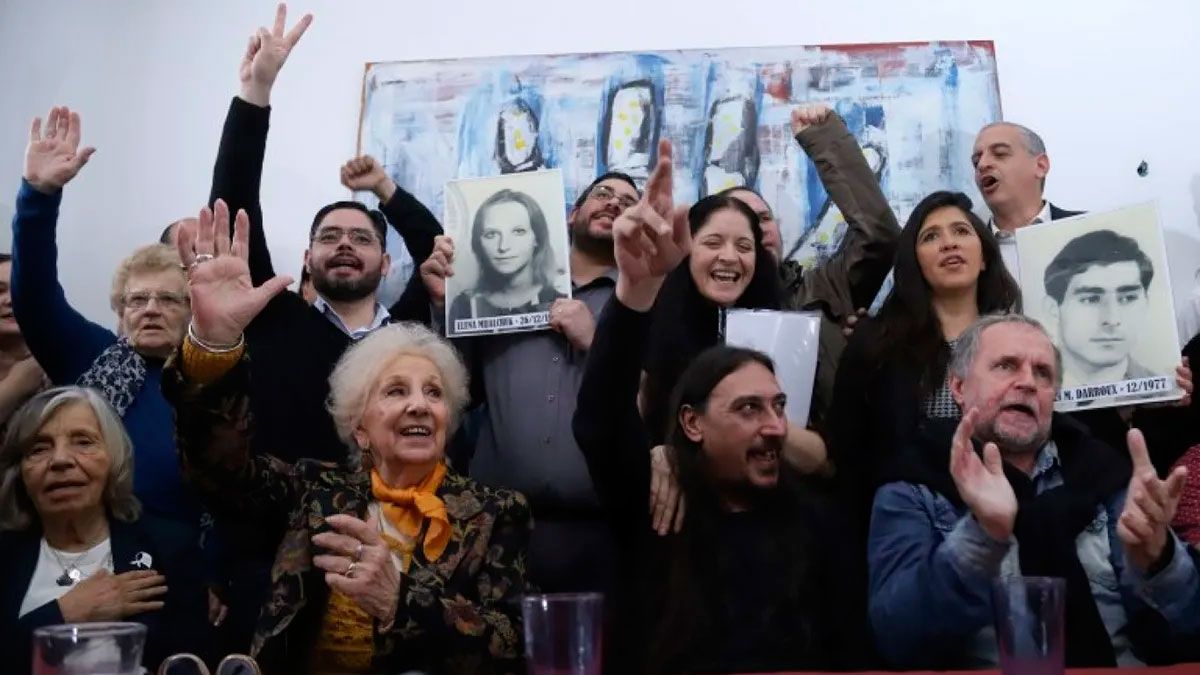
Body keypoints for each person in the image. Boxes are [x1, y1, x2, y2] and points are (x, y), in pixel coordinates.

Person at [165, 202, 529, 675]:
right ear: (359, 426)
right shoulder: (314, 491)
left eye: (434, 393)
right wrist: (213, 347)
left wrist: (399, 597)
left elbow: (511, 642)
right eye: (395, 391)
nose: (418, 405)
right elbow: (218, 472)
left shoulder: (496, 512)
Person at [574, 139, 867, 674]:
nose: (730, 257)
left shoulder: (815, 527)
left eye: (776, 406)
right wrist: (636, 287)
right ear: (690, 419)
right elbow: (599, 421)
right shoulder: (660, 512)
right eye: (746, 408)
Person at [868, 313, 1200, 669]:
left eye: (1042, 373)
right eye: (1006, 366)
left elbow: (1190, 628)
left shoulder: (1104, 475)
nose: (1027, 382)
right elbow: (896, 635)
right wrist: (980, 539)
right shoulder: (915, 485)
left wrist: (1162, 561)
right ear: (958, 387)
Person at [11, 106, 212, 569]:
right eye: (137, 300)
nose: (151, 310)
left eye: (168, 299)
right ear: (119, 312)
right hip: (96, 553)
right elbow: (34, 297)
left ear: (191, 310)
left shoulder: (217, 375)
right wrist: (39, 197)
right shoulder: (92, 356)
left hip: (195, 563)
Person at [419, 171, 637, 595]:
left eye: (628, 202)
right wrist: (443, 306)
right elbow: (456, 388)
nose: (614, 203)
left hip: (600, 531)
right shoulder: (499, 293)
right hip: (495, 527)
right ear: (570, 216)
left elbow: (654, 399)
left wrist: (597, 343)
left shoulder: (640, 305)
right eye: (603, 194)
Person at [831, 190, 1020, 523]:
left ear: (985, 256)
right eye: (931, 237)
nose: (949, 244)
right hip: (903, 526)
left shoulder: (1020, 343)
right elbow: (849, 458)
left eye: (961, 231)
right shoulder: (874, 346)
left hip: (1007, 519)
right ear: (914, 262)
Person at [0, 387, 212, 672]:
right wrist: (67, 613)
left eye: (83, 442)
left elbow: (192, 664)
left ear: (113, 459)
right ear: (20, 472)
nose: (60, 460)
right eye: (39, 448)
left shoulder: (170, 548)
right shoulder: (5, 558)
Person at [720, 104, 899, 429]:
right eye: (741, 222)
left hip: (830, 469)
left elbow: (880, 236)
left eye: (762, 219)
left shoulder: (827, 285)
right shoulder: (695, 313)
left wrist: (825, 139)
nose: (756, 231)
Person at [1043, 229, 1156, 386]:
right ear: (1053, 308)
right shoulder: (1028, 391)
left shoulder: (1165, 391)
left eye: (1127, 298)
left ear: (1146, 302)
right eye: (1091, 299)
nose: (1112, 319)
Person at [971, 121, 1082, 274]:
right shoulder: (970, 253)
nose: (982, 165)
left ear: (1040, 166)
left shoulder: (1089, 231)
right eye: (976, 162)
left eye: (1000, 154)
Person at [447, 188, 565, 326]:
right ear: (478, 242)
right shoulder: (464, 306)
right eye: (491, 234)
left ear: (537, 238)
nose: (503, 246)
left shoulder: (561, 303)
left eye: (518, 231)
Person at [0, 253, 49, 425]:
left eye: (20, 288)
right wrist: (15, 387)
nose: (11, 300)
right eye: (0, 290)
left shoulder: (64, 366)